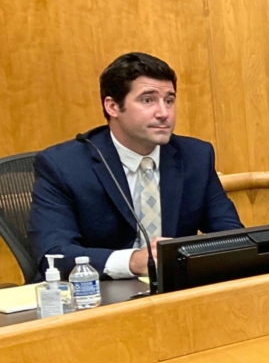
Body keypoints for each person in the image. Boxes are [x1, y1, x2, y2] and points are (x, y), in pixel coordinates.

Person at [30, 52, 243, 280]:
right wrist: (131, 262)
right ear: (112, 107)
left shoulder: (196, 156)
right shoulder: (63, 165)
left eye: (169, 100)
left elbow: (232, 237)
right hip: (95, 295)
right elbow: (54, 255)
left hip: (176, 292)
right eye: (147, 100)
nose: (164, 113)